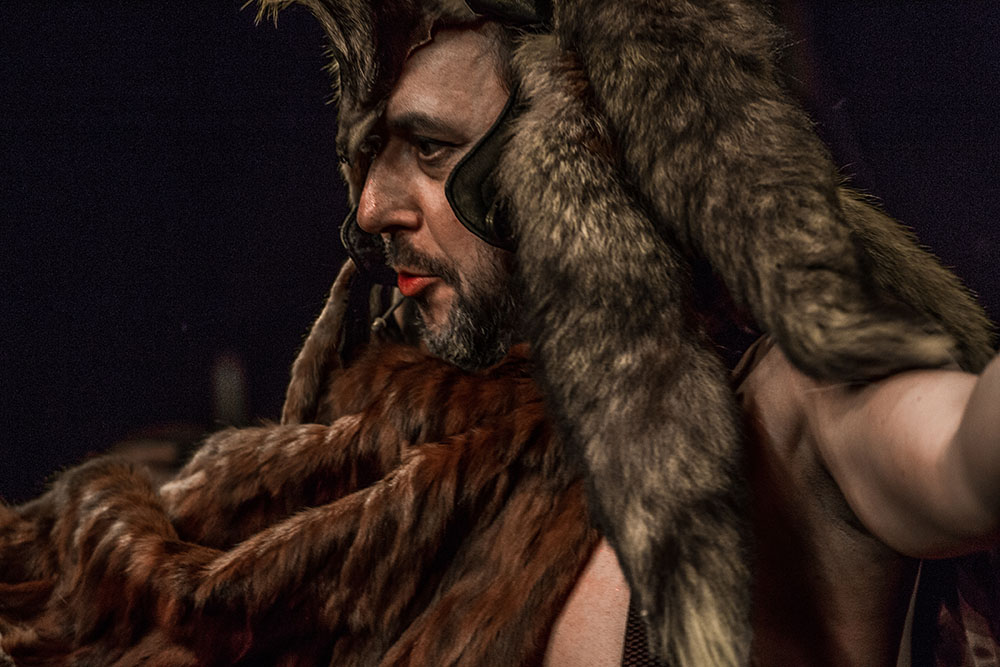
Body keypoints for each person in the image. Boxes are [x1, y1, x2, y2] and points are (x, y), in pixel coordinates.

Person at [1, 3, 997, 667]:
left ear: (591, 158)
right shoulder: (400, 464)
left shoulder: (785, 411)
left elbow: (963, 450)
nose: (372, 206)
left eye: (431, 149)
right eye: (371, 153)